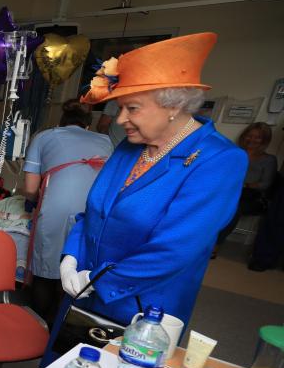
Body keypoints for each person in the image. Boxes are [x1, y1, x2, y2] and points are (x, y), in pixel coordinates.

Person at [60, 33, 247, 328]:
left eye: (131, 108)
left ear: (174, 106)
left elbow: (174, 249)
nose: (121, 120)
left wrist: (96, 280)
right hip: (82, 291)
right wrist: (71, 257)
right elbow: (94, 212)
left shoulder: (220, 161)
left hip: (142, 308)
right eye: (120, 108)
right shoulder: (130, 146)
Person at [21, 100, 113, 324]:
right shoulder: (107, 141)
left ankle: (38, 325)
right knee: (80, 268)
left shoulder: (43, 137)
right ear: (87, 126)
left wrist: (32, 202)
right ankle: (66, 325)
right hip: (95, 210)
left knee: (46, 267)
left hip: (57, 208)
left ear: (60, 124)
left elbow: (31, 189)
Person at [215, 122, 278, 247]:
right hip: (230, 190)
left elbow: (265, 184)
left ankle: (216, 244)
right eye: (250, 135)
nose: (252, 140)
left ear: (264, 140)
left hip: (252, 196)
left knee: (233, 207)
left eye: (257, 137)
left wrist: (245, 185)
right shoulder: (234, 152)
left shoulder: (269, 160)